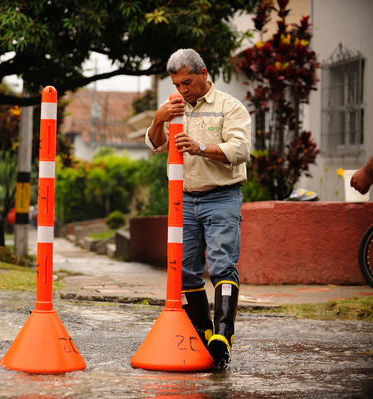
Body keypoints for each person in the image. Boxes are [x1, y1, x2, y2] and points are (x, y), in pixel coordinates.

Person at [145, 48, 251, 369]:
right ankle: (202, 333)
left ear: (204, 74)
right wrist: (158, 119)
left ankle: (223, 336)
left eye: (187, 82)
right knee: (185, 271)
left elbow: (241, 149)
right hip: (184, 200)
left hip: (222, 196)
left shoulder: (229, 107)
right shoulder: (172, 108)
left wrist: (201, 147)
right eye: (177, 84)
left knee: (221, 266)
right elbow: (154, 143)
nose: (182, 90)